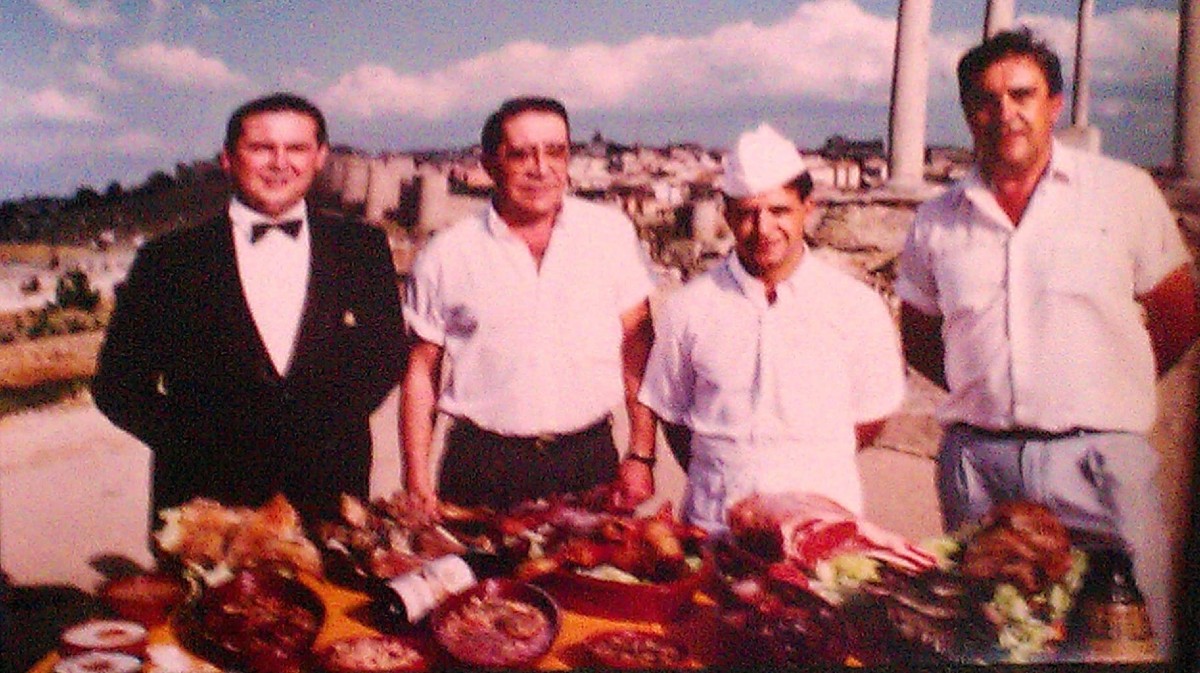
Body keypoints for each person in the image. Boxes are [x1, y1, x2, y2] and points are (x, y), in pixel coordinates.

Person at [896, 29, 1200, 657]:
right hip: (980, 471)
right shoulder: (937, 220)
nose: (1004, 112)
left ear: (1053, 104)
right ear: (967, 112)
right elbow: (921, 335)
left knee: (1126, 648)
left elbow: (1178, 313)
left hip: (1099, 469)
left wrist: (1107, 387)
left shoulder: (1122, 193)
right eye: (985, 99)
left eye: (1022, 94)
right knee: (990, 647)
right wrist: (989, 391)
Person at [94, 92, 406, 525]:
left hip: (329, 496)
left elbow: (387, 354)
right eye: (261, 148)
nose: (280, 162)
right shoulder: (167, 260)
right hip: (203, 506)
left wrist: (328, 424)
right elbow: (118, 386)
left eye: (296, 148)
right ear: (227, 158)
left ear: (320, 157)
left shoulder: (362, 248)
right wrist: (196, 445)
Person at [637, 123, 907, 534]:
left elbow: (871, 417)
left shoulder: (855, 307)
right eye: (747, 213)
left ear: (807, 209)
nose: (764, 229)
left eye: (779, 211)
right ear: (727, 214)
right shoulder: (689, 307)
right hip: (716, 525)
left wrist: (800, 462)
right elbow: (673, 413)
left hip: (823, 527)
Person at [401, 96, 657, 513]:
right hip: (481, 467)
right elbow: (420, 372)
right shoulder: (447, 254)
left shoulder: (610, 236)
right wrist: (416, 479)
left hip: (588, 462)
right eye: (520, 154)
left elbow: (638, 347)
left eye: (555, 151)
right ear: (489, 164)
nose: (541, 168)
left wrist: (642, 453)